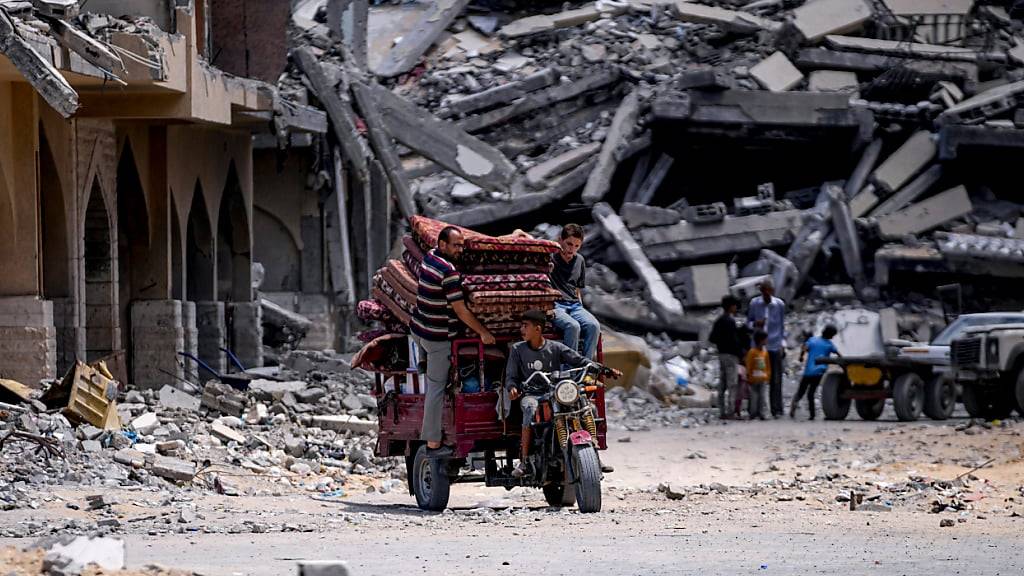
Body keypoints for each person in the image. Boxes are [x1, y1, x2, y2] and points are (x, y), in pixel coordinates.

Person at [410, 226, 495, 457]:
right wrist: (483, 332)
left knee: (432, 371)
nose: (460, 250)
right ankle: (433, 442)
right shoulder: (449, 273)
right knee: (435, 388)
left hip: (418, 328)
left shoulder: (429, 257)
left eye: (461, 245)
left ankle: (422, 362)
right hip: (437, 338)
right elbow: (461, 310)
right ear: (442, 244)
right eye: (456, 245)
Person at [504, 309, 620, 478]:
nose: (522, 329)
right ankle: (525, 461)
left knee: (588, 408)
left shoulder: (555, 347)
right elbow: (511, 376)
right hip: (532, 394)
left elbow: (579, 360)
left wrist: (605, 370)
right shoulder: (517, 349)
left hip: (555, 392)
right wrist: (512, 387)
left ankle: (594, 455)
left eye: (525, 326)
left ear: (538, 329)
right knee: (529, 408)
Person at [550, 224, 601, 359]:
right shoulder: (550, 258)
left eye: (576, 246)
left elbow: (577, 289)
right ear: (560, 240)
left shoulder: (580, 260)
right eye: (569, 244)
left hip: (574, 305)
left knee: (594, 326)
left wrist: (581, 309)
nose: (572, 249)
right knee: (573, 326)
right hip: (555, 305)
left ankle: (585, 368)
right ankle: (569, 372)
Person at [747, 279, 787, 418]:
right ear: (761, 292)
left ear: (772, 291)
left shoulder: (779, 305)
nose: (766, 295)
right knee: (758, 378)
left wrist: (783, 344)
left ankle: (777, 409)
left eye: (768, 292)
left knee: (776, 378)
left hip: (774, 345)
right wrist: (755, 324)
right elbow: (748, 323)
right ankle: (757, 410)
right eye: (764, 292)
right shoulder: (754, 304)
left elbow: (782, 326)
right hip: (759, 348)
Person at [791, 325, 840, 420]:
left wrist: (801, 357)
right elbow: (838, 354)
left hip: (808, 371)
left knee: (801, 392)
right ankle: (812, 415)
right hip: (819, 373)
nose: (833, 337)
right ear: (830, 335)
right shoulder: (829, 344)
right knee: (811, 393)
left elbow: (804, 347)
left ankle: (795, 402)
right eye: (833, 335)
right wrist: (842, 362)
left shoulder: (813, 340)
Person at [709, 295, 744, 420]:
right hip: (731, 355)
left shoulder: (719, 320)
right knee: (732, 384)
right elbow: (735, 341)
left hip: (721, 354)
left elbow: (711, 338)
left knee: (722, 384)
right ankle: (731, 411)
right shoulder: (730, 321)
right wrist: (741, 354)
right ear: (731, 307)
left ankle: (722, 411)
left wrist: (721, 343)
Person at [745, 330, 771, 420]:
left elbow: (767, 365)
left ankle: (762, 413)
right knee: (754, 397)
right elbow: (748, 365)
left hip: (763, 378)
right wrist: (748, 375)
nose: (766, 341)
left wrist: (768, 375)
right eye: (765, 339)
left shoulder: (765, 352)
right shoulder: (752, 352)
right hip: (754, 379)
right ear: (761, 340)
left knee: (763, 397)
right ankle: (753, 413)